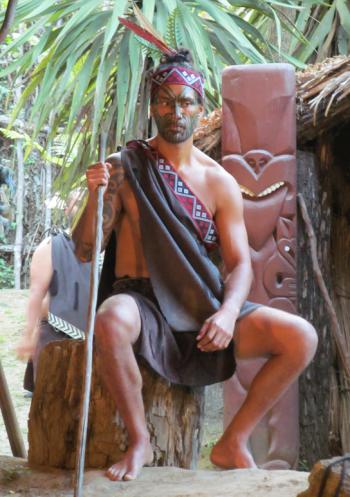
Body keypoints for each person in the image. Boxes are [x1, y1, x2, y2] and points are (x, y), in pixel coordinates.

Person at [73, 49, 318, 482]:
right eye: (165, 101)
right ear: (152, 107)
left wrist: (226, 312)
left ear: (201, 108)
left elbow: (241, 264)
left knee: (300, 337)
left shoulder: (219, 180)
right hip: (142, 301)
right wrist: (95, 196)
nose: (175, 111)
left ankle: (232, 442)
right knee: (111, 319)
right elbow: (85, 249)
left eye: (185, 101)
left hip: (199, 303)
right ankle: (140, 441)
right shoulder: (124, 168)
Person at [16, 194, 91, 391]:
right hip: (55, 336)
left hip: (99, 341)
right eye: (76, 204)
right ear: (67, 210)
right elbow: (36, 293)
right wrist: (28, 334)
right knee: (52, 404)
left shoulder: (111, 249)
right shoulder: (52, 246)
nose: (82, 208)